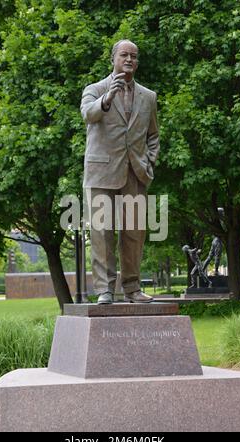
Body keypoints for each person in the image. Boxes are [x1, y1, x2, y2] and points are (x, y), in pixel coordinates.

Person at [81, 39, 160, 304]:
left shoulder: (148, 96)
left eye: (134, 56)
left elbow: (153, 135)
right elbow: (88, 115)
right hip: (101, 172)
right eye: (124, 55)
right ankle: (105, 289)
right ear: (113, 59)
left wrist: (148, 161)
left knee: (134, 233)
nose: (129, 60)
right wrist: (108, 98)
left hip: (135, 173)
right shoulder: (95, 89)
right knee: (102, 233)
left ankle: (132, 288)